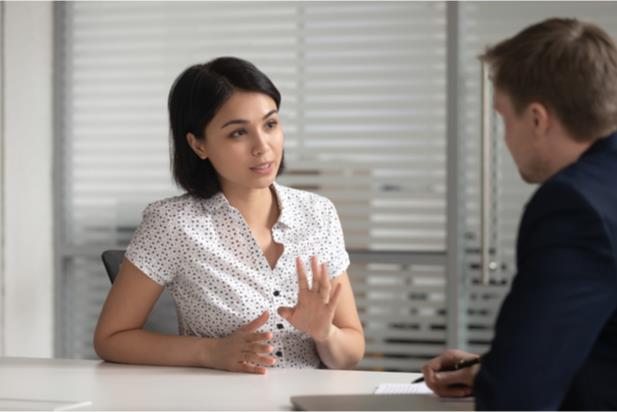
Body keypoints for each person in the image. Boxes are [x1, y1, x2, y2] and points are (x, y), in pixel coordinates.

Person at [94, 57, 365, 374]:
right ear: (198, 145)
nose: (262, 147)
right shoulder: (173, 223)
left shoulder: (318, 214)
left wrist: (325, 334)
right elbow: (111, 338)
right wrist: (209, 352)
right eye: (238, 133)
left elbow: (351, 352)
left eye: (270, 124)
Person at [421, 18, 617, 410]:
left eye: (504, 118)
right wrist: (491, 369)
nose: (506, 137)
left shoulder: (573, 206)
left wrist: (504, 376)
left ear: (537, 119)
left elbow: (517, 397)